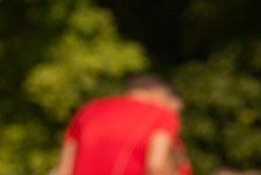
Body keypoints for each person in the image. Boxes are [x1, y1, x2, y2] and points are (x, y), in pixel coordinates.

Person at [55, 74, 183, 175]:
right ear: (159, 94)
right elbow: (156, 165)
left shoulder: (89, 109)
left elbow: (65, 169)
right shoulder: (162, 114)